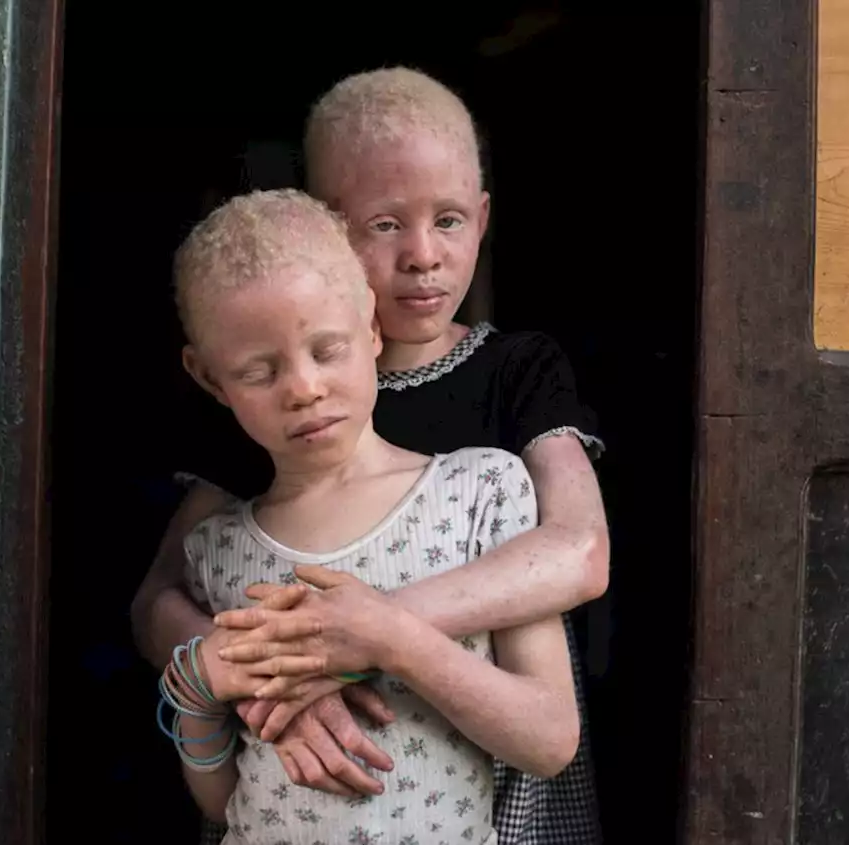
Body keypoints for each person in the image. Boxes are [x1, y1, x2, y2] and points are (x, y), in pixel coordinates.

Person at [131, 67, 609, 843]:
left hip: (491, 785)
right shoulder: (270, 408)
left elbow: (581, 552)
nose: (422, 256)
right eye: (384, 225)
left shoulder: (511, 379)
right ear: (323, 223)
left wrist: (358, 636)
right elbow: (161, 600)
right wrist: (260, 685)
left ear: (484, 219)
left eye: (448, 220)